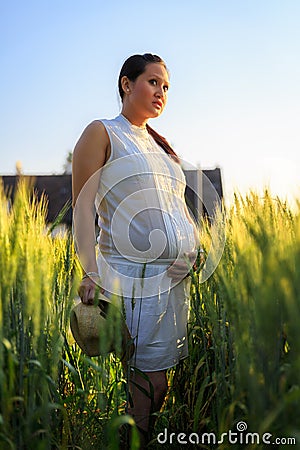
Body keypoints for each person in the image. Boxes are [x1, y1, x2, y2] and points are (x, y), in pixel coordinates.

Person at [72, 53, 200, 447]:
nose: (161, 92)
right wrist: (91, 270)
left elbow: (175, 208)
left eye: (166, 86)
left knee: (161, 381)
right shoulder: (104, 132)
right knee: (148, 382)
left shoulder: (161, 146)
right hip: (135, 279)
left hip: (173, 281)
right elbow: (82, 208)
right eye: (152, 82)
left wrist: (190, 253)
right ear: (127, 84)